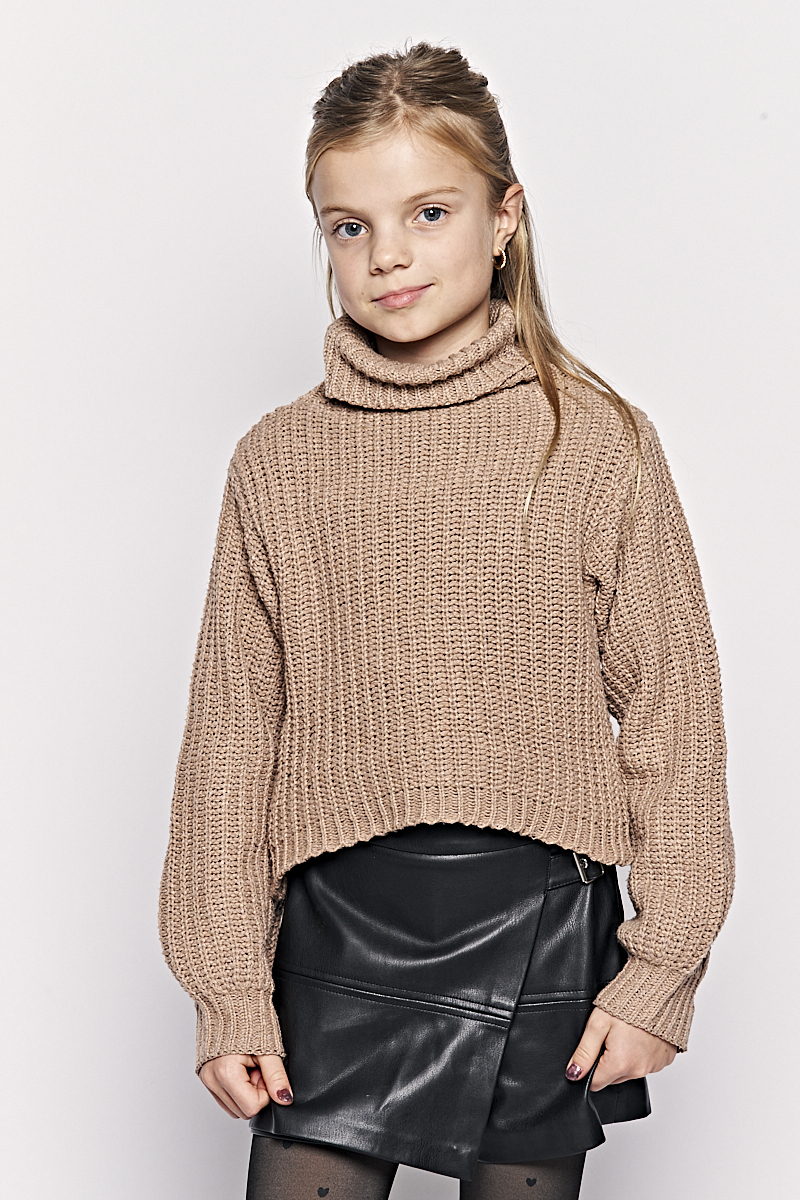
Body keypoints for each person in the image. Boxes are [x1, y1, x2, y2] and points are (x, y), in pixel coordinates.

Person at [158, 42, 734, 1200]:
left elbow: (674, 720)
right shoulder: (278, 462)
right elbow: (229, 743)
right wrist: (226, 989)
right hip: (334, 930)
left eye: (428, 211)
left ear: (503, 215)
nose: (388, 254)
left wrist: (660, 967)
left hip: (539, 924)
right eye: (349, 226)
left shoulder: (594, 442)